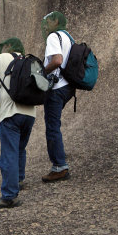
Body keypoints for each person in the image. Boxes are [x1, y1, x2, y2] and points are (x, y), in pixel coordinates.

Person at [0, 37, 36, 209]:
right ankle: (18, 180)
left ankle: (9, 196)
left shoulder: (2, 59)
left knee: (8, 154)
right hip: (30, 113)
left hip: (10, 114)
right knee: (19, 149)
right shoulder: (27, 60)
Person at [41, 11, 75, 182]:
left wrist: (41, 72)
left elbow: (57, 60)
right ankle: (59, 157)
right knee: (55, 124)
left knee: (52, 126)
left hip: (57, 87)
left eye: (48, 22)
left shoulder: (53, 37)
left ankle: (59, 167)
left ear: (55, 21)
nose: (45, 26)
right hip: (68, 87)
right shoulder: (68, 36)